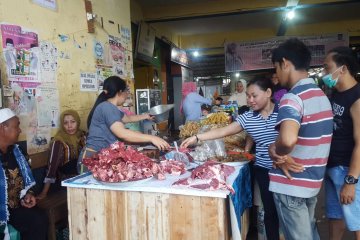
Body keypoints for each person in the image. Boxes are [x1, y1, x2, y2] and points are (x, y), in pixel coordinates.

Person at [181, 77, 280, 240]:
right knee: (270, 212)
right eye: (248, 96)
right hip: (263, 170)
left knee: (287, 212)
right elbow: (224, 131)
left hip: (284, 169)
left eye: (254, 96)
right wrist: (198, 137)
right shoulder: (248, 117)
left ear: (268, 93)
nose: (250, 100)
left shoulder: (284, 112)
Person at [268, 38, 333, 240]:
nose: (276, 74)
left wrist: (275, 150)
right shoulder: (321, 96)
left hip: (291, 185)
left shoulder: (292, 97)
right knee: (311, 233)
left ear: (285, 63)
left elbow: (287, 140)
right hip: (311, 182)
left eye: (276, 68)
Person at [78, 76, 170, 173]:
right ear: (120, 92)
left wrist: (146, 116)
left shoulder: (113, 108)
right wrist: (152, 138)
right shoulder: (106, 107)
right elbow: (122, 133)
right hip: (93, 156)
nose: (127, 95)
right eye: (127, 91)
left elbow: (128, 118)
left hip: (103, 155)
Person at [322, 46, 360, 240]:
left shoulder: (357, 98)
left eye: (327, 68)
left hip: (348, 170)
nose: (324, 73)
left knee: (357, 221)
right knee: (335, 217)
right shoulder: (336, 94)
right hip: (333, 166)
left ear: (342, 68)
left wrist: (351, 181)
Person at [0, 108, 48, 240]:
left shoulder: (17, 151)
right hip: (2, 213)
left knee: (39, 218)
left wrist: (29, 194)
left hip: (17, 207)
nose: (20, 130)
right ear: (3, 128)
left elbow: (27, 179)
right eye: (17, 126)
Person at [37, 110, 86, 200]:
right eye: (65, 123)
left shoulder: (82, 136)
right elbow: (52, 168)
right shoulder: (59, 141)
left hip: (84, 177)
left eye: (73, 122)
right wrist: (44, 193)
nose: (69, 126)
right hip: (68, 182)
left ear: (78, 122)